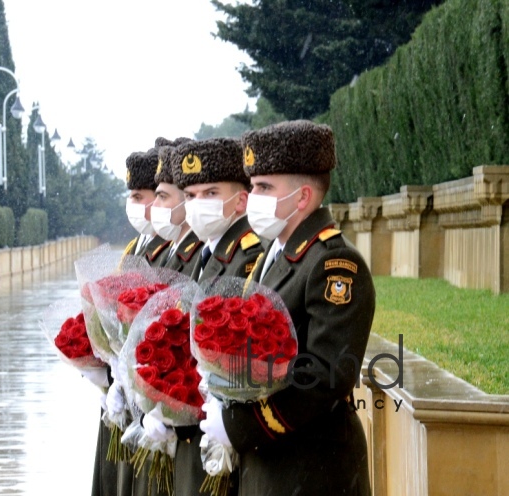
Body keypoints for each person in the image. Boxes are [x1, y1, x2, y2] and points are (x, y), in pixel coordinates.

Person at [199, 120, 375, 495]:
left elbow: (326, 372)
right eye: (253, 186)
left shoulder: (334, 264)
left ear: (302, 198)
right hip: (273, 465)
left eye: (264, 187)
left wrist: (238, 424)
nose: (254, 196)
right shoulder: (271, 255)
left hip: (311, 468)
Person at [144, 136, 265, 496]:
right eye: (192, 196)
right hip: (194, 432)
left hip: (223, 432)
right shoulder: (206, 253)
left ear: (240, 199)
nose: (197, 205)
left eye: (210, 194)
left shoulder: (248, 256)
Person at [150, 138, 203, 276]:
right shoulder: (169, 249)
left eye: (163, 196)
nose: (154, 204)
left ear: (186, 200)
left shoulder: (199, 252)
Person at [122, 148, 172, 267]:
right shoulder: (135, 244)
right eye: (130, 197)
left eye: (138, 197)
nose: (131, 203)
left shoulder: (171, 246)